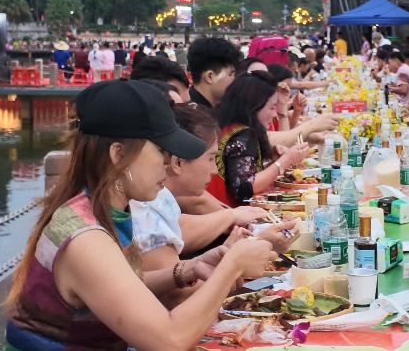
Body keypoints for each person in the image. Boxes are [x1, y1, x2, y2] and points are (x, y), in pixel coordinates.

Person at [5, 79, 276, 350]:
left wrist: (186, 270)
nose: (169, 163)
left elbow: (119, 287)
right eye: (161, 150)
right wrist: (232, 267)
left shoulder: (100, 209)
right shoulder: (86, 239)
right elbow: (169, 340)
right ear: (118, 155)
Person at [131, 103, 295, 271]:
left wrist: (237, 228)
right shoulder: (141, 204)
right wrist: (255, 242)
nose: (215, 170)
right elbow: (186, 286)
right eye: (211, 158)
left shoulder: (160, 195)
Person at [210, 71, 309, 207]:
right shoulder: (242, 136)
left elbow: (241, 175)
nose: (274, 114)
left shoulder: (227, 126)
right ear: (253, 107)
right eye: (271, 107)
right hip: (227, 214)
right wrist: (285, 161)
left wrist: (275, 163)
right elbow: (244, 188)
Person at [186, 37, 241, 109]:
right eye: (231, 74)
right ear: (210, 77)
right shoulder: (192, 114)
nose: (234, 79)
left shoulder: (188, 105)